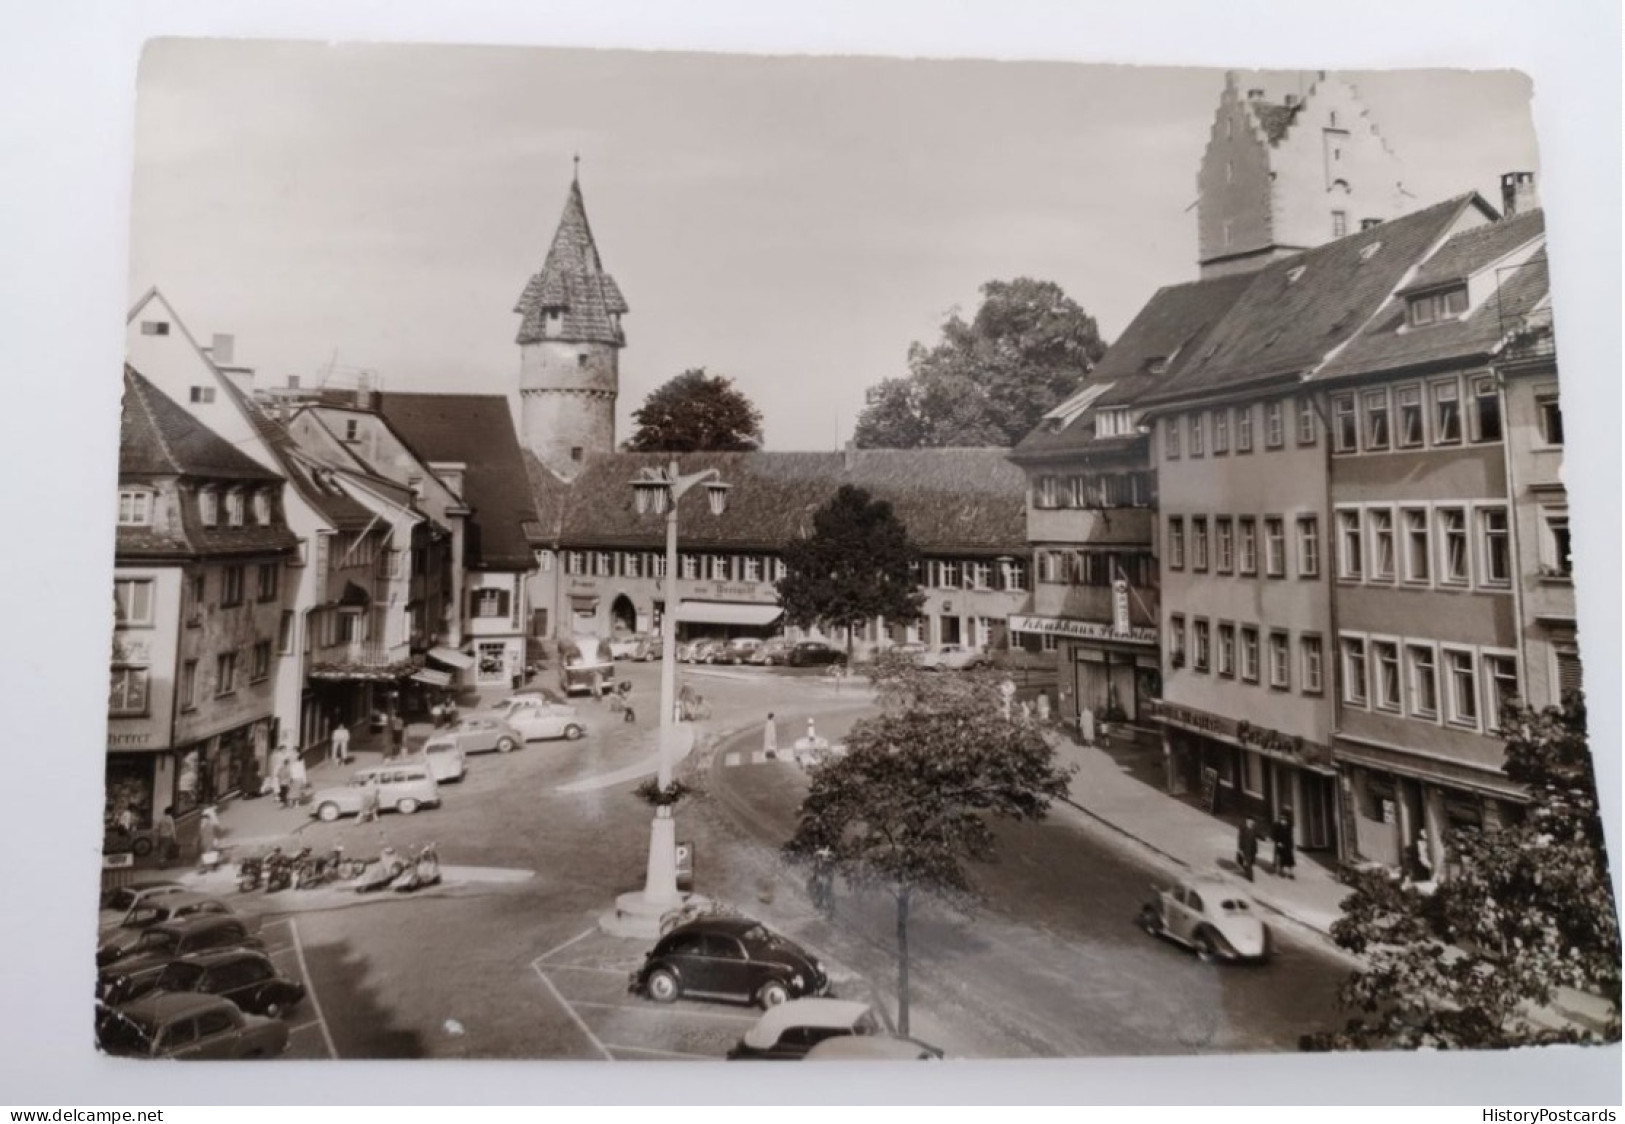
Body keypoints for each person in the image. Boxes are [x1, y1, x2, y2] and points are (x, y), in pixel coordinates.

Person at [1272, 810, 1297, 879]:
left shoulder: (1289, 826)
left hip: (1288, 845)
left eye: (1284, 819)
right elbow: (1274, 835)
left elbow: (1291, 836)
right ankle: (1281, 871)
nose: (1283, 821)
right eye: (1282, 819)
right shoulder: (1277, 825)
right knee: (1281, 859)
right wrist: (1278, 842)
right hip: (1281, 844)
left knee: (1290, 860)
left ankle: (1291, 873)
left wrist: (1292, 845)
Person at [1236, 816, 1259, 882]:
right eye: (1250, 821)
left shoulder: (1254, 828)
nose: (1251, 822)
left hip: (1252, 848)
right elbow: (1240, 838)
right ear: (1247, 820)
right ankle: (1250, 877)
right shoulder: (1243, 828)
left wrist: (1264, 838)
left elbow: (1257, 834)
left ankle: (1249, 875)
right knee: (1243, 861)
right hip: (1245, 847)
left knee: (1250, 862)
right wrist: (1240, 848)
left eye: (1252, 821)